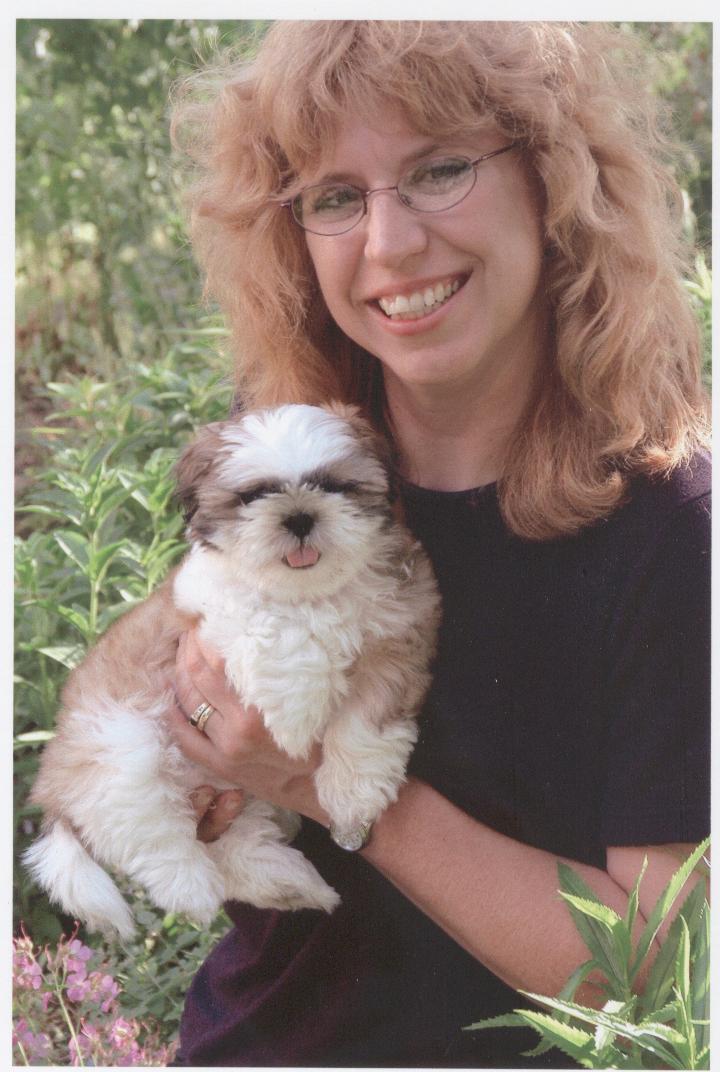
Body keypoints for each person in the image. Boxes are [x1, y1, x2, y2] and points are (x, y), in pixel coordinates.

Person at [166, 21, 710, 1067]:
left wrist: (333, 782)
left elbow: (656, 973)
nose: (390, 243)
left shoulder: (673, 528)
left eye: (439, 170)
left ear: (555, 182)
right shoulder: (290, 454)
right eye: (335, 196)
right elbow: (201, 764)